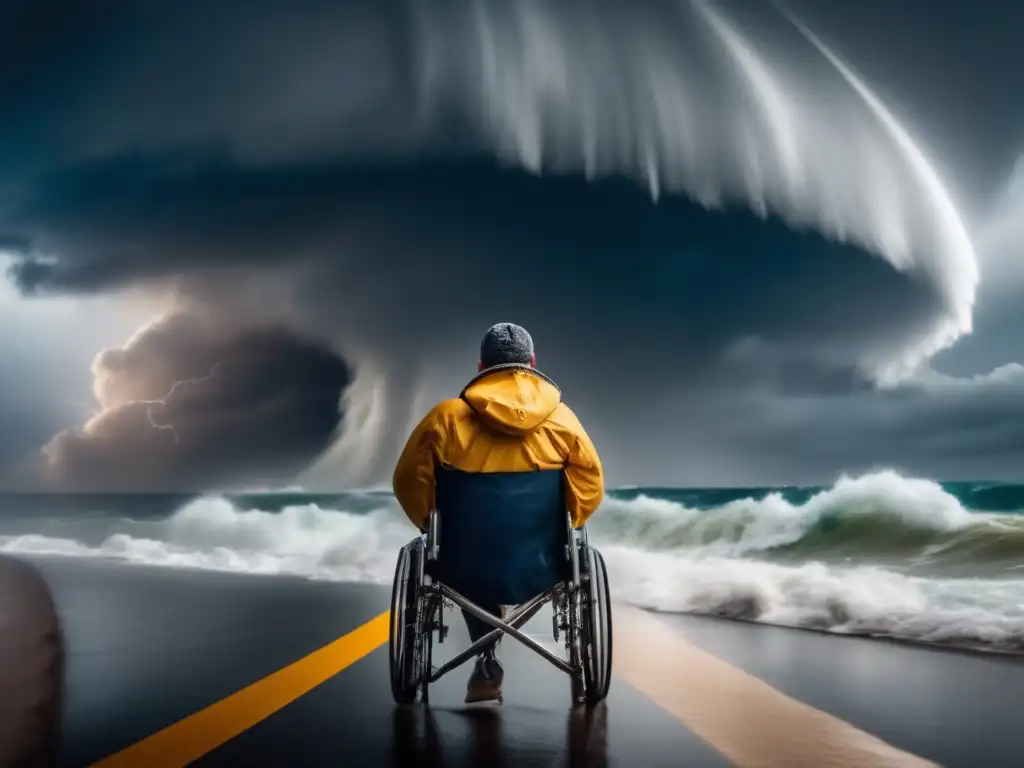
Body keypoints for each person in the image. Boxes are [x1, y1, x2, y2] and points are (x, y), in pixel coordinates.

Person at [392, 322, 604, 704]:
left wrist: (429, 523)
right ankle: (568, 678)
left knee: (469, 564)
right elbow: (589, 487)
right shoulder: (562, 419)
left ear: (481, 367)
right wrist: (570, 521)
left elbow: (407, 480)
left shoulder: (446, 418)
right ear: (532, 362)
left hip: (462, 565)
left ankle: (486, 659)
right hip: (541, 563)